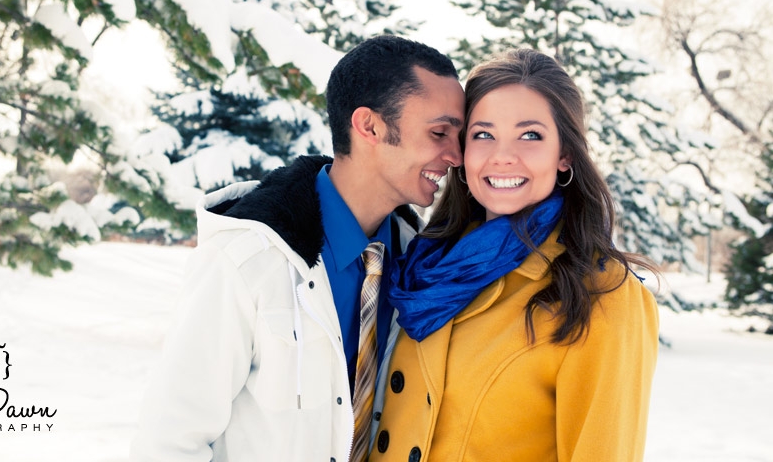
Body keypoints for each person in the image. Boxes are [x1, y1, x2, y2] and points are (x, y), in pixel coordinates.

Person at [130, 35, 465, 462]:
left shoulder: (422, 271)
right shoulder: (246, 260)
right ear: (370, 126)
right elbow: (169, 443)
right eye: (439, 133)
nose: (456, 156)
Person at [369, 49, 659, 462]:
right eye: (483, 134)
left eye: (530, 135)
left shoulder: (602, 295)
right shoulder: (422, 266)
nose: (502, 156)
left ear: (565, 155)